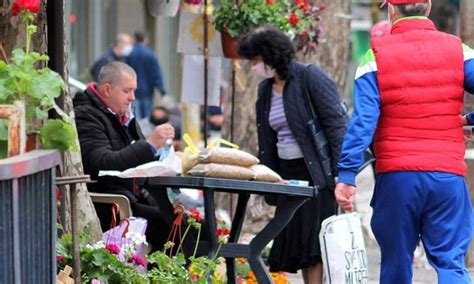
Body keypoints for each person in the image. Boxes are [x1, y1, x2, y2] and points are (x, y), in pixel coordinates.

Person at [335, 0, 474, 282]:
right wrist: (469, 120)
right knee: (450, 263)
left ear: (391, 10)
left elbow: (363, 122)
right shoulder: (458, 49)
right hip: (446, 175)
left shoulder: (374, 56)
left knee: (396, 265)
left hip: (397, 178)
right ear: (429, 7)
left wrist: (347, 174)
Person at [237, 27, 348, 283]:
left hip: (316, 175)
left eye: (254, 60)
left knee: (313, 247)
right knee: (294, 244)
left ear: (269, 56)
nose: (252, 66)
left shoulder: (309, 77)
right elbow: (267, 139)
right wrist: (268, 182)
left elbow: (336, 125)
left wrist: (341, 175)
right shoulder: (265, 91)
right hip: (287, 177)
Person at [73, 61, 176, 252]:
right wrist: (150, 144)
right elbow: (102, 163)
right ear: (107, 89)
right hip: (111, 203)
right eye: (127, 91)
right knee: (175, 228)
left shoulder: (123, 114)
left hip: (134, 196)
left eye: (134, 91)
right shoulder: (85, 115)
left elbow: (139, 159)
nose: (132, 97)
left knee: (186, 221)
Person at [126, 31, 167, 119]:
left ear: (134, 39)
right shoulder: (150, 54)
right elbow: (156, 73)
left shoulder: (130, 54)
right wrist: (162, 90)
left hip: (133, 90)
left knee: (135, 116)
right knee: (147, 117)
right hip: (147, 90)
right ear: (145, 40)